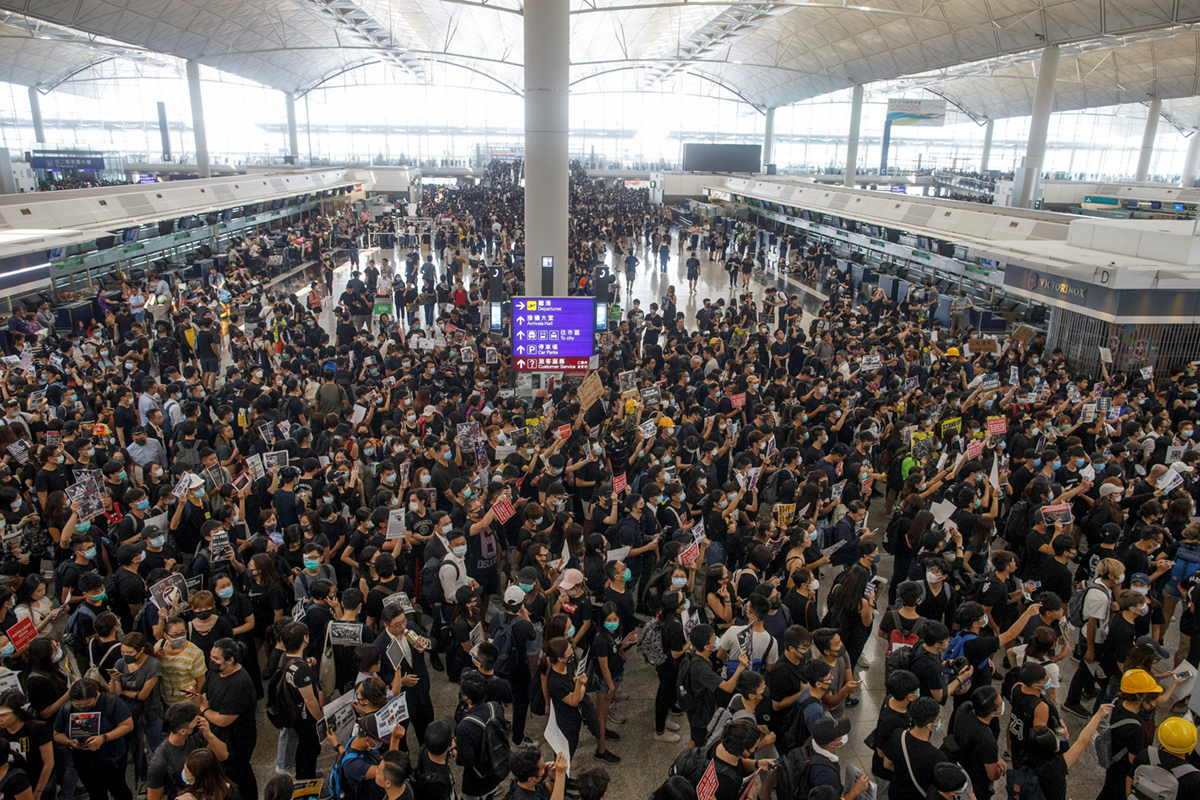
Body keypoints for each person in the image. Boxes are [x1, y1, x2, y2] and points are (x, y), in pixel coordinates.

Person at [51, 679, 134, 800]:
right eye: (78, 706)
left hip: (111, 759)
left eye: (88, 704)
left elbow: (127, 725)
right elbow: (57, 733)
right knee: (96, 794)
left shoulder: (111, 702)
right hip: (84, 763)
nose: (83, 708)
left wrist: (104, 738)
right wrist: (69, 742)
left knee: (119, 791)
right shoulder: (67, 709)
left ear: (96, 694)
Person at [199, 639, 258, 800]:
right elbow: (205, 695)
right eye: (211, 657)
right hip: (219, 736)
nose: (212, 661)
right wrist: (196, 697)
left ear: (230, 660)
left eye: (216, 659)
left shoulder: (239, 683)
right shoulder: (215, 672)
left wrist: (204, 709)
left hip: (237, 740)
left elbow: (224, 720)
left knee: (237, 777)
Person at [146, 702, 230, 800]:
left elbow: (223, 755)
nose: (199, 722)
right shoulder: (160, 761)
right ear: (182, 731)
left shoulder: (198, 733)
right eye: (196, 721)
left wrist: (209, 734)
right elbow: (153, 797)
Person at [884, 697, 947, 800]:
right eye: (938, 718)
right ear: (930, 726)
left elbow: (887, 764)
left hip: (896, 792)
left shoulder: (898, 735)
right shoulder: (937, 756)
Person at [950, 686, 1005, 800]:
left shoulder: (964, 709)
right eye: (1000, 704)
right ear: (992, 712)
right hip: (977, 781)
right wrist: (999, 766)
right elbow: (992, 775)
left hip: (960, 763)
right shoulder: (987, 740)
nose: (1003, 705)